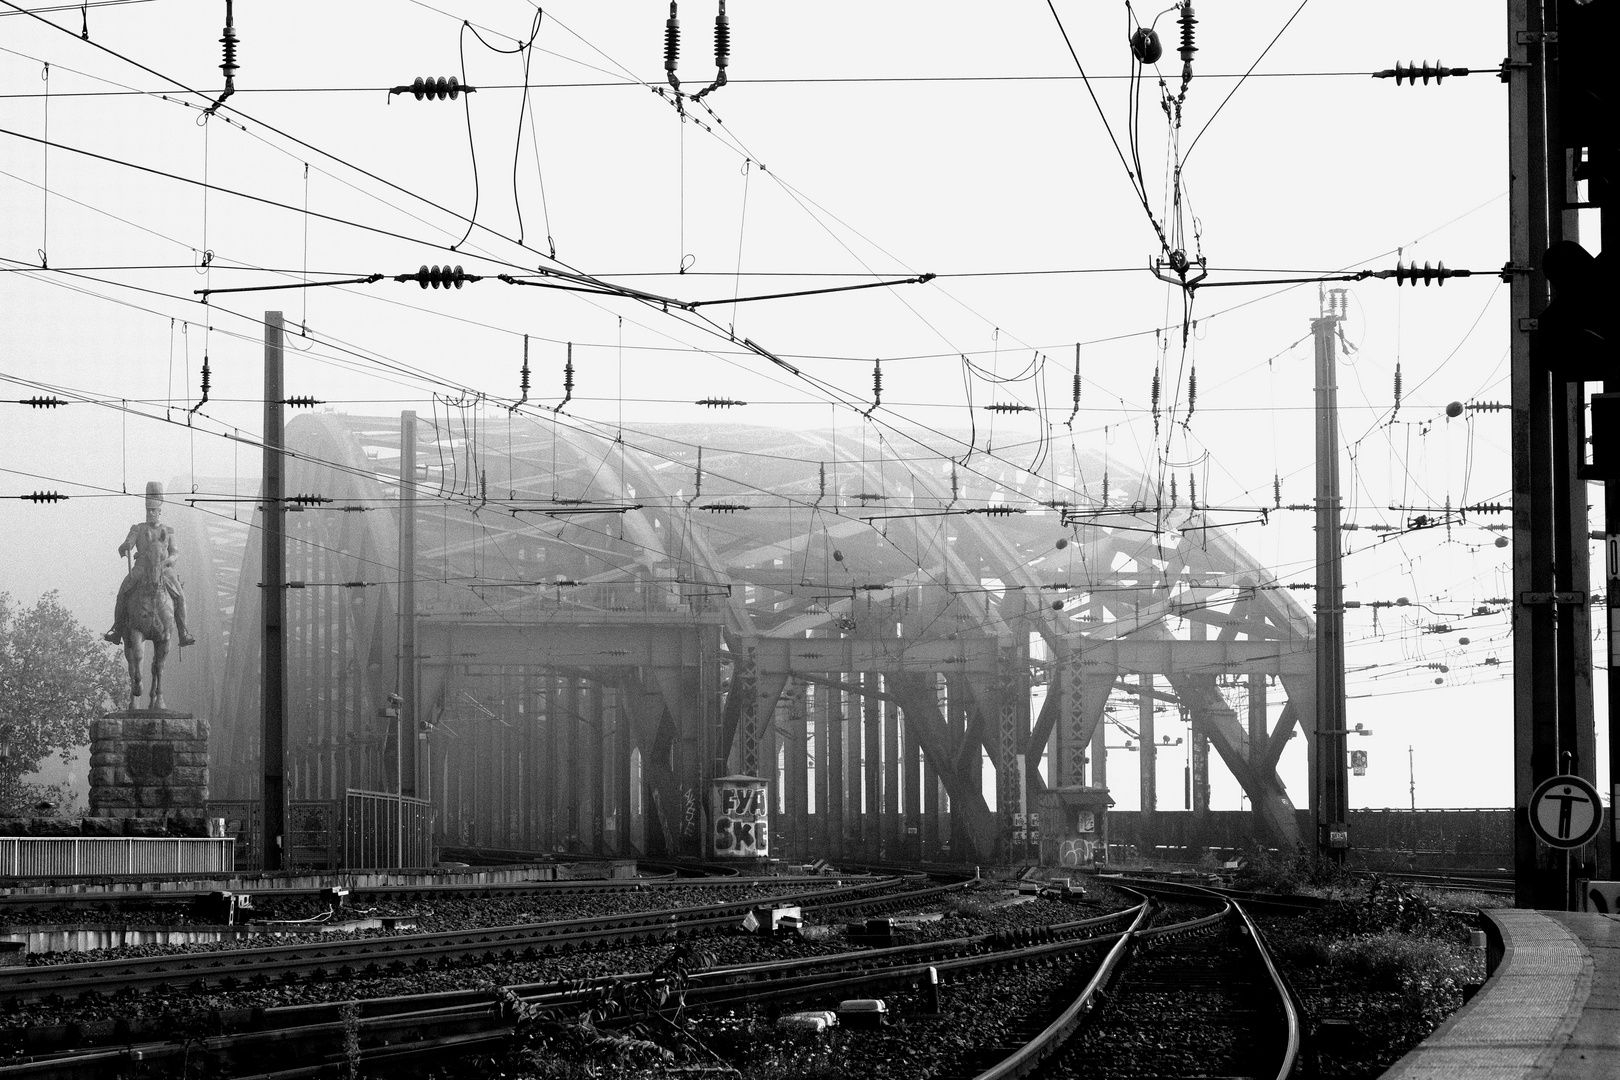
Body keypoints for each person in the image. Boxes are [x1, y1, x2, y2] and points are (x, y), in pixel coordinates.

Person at [105, 481, 196, 647]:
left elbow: (175, 552)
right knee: (123, 592)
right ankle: (117, 629)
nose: (151, 513)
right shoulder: (137, 529)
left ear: (160, 511)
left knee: (180, 595)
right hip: (141, 568)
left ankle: (183, 632)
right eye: (148, 510)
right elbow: (129, 543)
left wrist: (168, 561)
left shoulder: (168, 531)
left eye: (154, 510)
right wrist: (126, 547)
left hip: (163, 570)